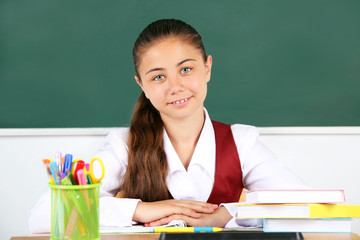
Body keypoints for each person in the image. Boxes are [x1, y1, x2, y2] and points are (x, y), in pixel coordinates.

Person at [28, 19, 308, 233]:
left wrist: (230, 214)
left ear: (207, 68)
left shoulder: (241, 142)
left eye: (186, 69)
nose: (176, 87)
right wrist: (140, 210)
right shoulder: (124, 146)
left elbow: (309, 208)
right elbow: (42, 216)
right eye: (158, 77)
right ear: (142, 85)